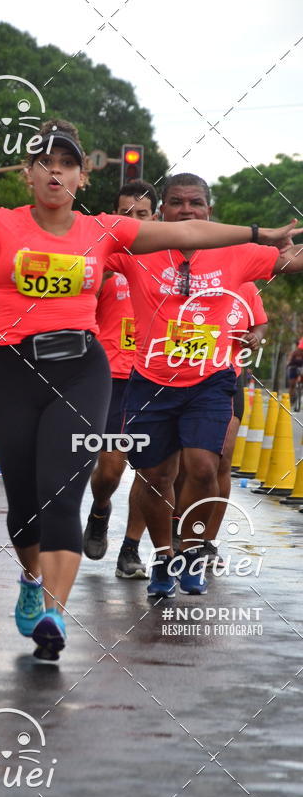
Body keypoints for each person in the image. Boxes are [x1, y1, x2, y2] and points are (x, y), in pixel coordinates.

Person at [0, 124, 300, 659]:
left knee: (62, 490)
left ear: (81, 178)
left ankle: (55, 613)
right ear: (28, 175)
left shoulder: (104, 230)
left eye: (67, 163)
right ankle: (31, 577)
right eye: (45, 162)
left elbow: (192, 235)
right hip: (13, 371)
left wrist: (259, 233)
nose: (55, 171)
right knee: (25, 499)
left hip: (81, 370)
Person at [106, 172, 303, 599]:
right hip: (150, 382)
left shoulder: (237, 252)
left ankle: (192, 552)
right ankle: (163, 557)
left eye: (195, 203)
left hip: (210, 380)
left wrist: (288, 246)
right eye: (177, 203)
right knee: (156, 476)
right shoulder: (138, 249)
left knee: (203, 468)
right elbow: (83, 245)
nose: (187, 210)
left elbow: (291, 261)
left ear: (209, 211)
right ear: (162, 211)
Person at [83, 180, 157, 579]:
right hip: (112, 379)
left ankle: (130, 549)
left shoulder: (169, 262)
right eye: (125, 214)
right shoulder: (103, 260)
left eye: (142, 215)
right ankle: (99, 510)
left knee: (152, 473)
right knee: (111, 469)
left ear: (155, 218)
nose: (133, 221)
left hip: (158, 378)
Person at [171, 280, 268, 562]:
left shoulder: (244, 283)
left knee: (221, 459)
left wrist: (254, 337)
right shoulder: (183, 276)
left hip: (226, 379)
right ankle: (176, 525)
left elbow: (260, 323)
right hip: (178, 376)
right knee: (181, 462)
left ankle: (207, 541)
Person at [286, 344, 303, 410]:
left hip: (300, 369)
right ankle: (290, 399)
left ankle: (299, 392)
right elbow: (289, 361)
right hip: (292, 368)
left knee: (300, 381)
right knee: (292, 385)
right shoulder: (293, 353)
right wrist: (288, 363)